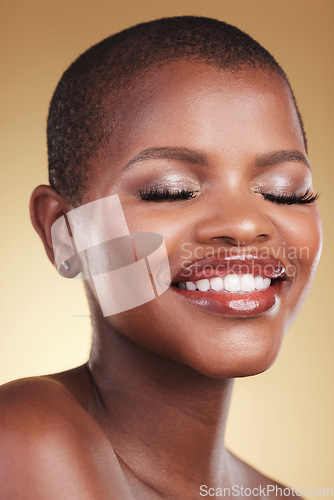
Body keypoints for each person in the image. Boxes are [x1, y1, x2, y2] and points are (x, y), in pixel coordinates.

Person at [0, 16, 322, 499]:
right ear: (64, 234)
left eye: (285, 193)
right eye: (169, 190)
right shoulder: (29, 434)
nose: (243, 224)